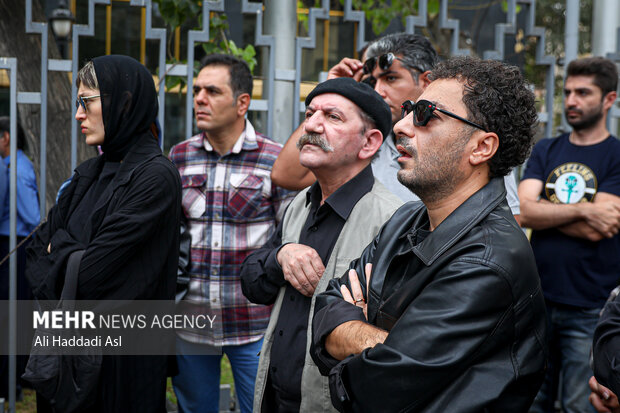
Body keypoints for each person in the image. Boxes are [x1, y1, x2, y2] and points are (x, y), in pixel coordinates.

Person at [310, 56, 546, 412]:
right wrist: (383, 341)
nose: (402, 126)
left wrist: (359, 324)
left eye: (425, 115)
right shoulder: (405, 219)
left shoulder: (490, 260)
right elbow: (326, 310)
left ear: (481, 147)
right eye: (408, 110)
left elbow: (377, 386)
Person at [24, 55, 181, 412]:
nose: (78, 114)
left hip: (123, 365)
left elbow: (91, 274)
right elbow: (33, 257)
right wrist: (74, 256)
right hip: (68, 357)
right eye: (78, 102)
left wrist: (60, 247)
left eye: (86, 102)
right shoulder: (88, 173)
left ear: (124, 103)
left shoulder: (155, 177)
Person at [240, 78, 402, 412]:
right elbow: (253, 282)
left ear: (369, 143)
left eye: (332, 117)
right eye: (310, 113)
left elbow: (397, 341)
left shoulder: (394, 222)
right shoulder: (300, 203)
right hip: (274, 398)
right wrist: (281, 256)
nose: (312, 125)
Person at [270, 33, 522, 222]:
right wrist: (332, 94)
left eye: (391, 78)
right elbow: (286, 176)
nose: (378, 90)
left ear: (427, 81)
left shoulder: (468, 141)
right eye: (371, 81)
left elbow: (506, 221)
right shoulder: (365, 140)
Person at [169, 54, 294, 413]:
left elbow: (289, 237)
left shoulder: (275, 160)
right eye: (196, 90)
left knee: (261, 407)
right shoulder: (179, 158)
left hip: (254, 322)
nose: (199, 99)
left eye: (211, 91)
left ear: (242, 103)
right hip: (190, 320)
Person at [519, 56, 620, 413]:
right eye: (567, 92)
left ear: (609, 99)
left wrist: (546, 212)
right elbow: (524, 211)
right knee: (531, 402)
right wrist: (586, 208)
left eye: (583, 92)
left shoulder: (616, 155)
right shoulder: (547, 148)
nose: (572, 100)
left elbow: (603, 228)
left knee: (581, 405)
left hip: (590, 306)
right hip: (538, 299)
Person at [0, 117, 39, 399]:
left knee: (11, 316)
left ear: (6, 138)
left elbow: (33, 218)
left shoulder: (16, 170)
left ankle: (12, 383)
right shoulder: (11, 165)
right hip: (12, 246)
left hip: (16, 247)